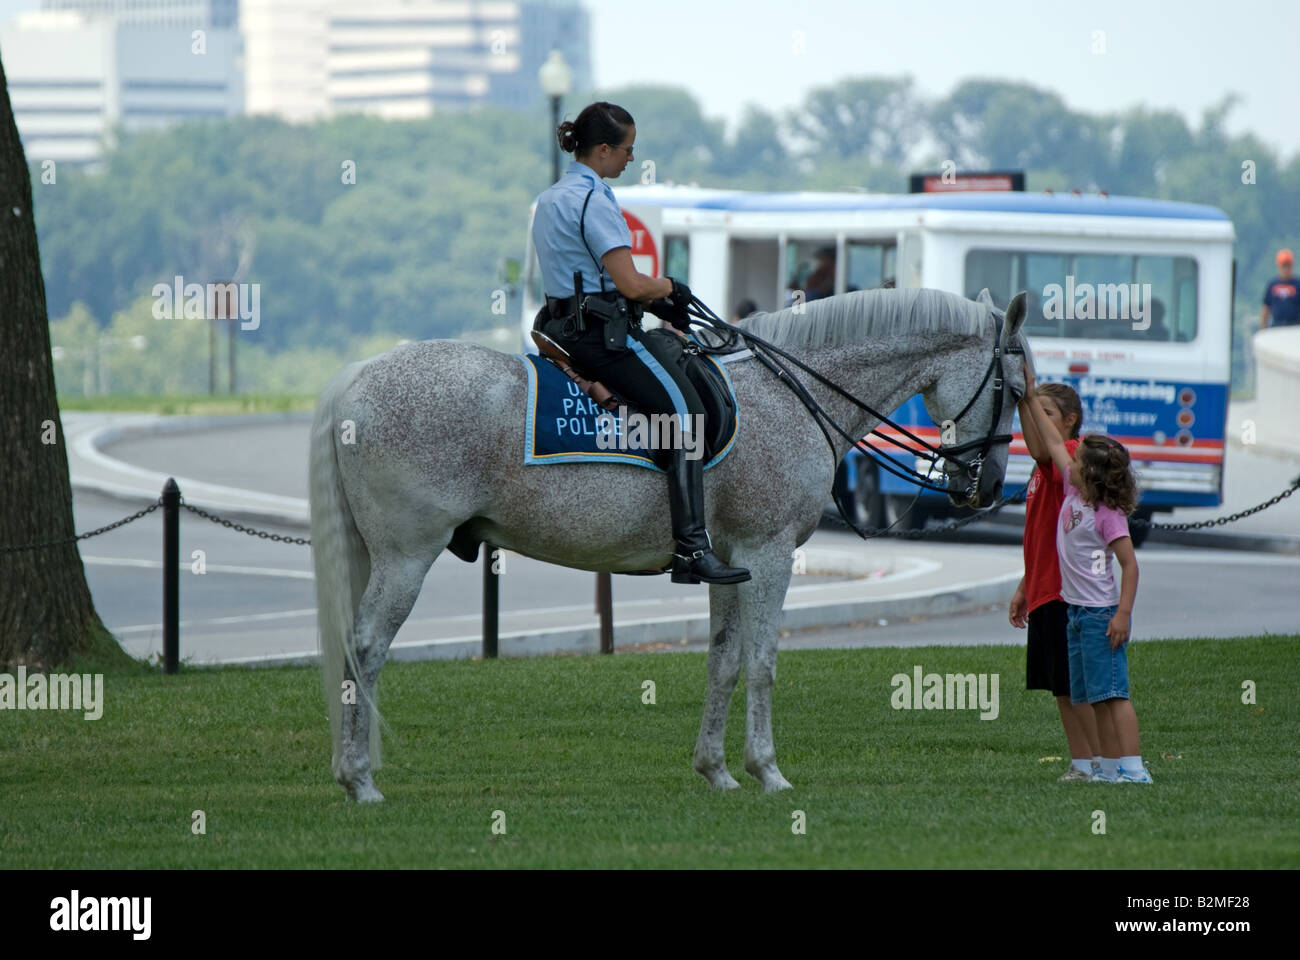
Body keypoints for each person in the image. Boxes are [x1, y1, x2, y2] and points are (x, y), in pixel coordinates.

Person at [530, 101, 750, 585]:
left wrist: (653, 303)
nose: (631, 158)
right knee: (688, 417)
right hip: (602, 340)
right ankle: (693, 548)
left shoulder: (550, 198)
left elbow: (587, 280)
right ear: (603, 149)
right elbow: (629, 284)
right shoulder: (595, 198)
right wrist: (670, 287)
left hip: (562, 328)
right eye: (627, 150)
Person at [1022, 365, 1151, 784]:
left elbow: (1130, 564)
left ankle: (1133, 768)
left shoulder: (1107, 514)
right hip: (1077, 614)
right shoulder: (1075, 492)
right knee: (1088, 694)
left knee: (1113, 694)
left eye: (1076, 460)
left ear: (1090, 472)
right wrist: (1025, 392)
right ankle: (1107, 768)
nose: (1068, 458)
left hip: (1099, 615)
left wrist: (1124, 613)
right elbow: (1055, 443)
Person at [1011, 382, 1113, 781]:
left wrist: (1026, 398)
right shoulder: (1044, 468)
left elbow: (1043, 447)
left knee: (1076, 685)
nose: (1040, 422)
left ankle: (1102, 761)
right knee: (1061, 687)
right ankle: (1081, 762)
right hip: (1041, 589)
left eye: (1048, 414)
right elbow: (1045, 535)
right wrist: (1024, 586)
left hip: (1063, 591)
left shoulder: (1070, 455)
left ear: (1070, 422)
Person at [1260, 248, 1298, 329]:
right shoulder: (1273, 284)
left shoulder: (1298, 284)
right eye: (1284, 266)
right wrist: (1263, 329)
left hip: (1295, 326)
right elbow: (1266, 308)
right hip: (1277, 325)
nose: (1286, 269)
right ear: (1279, 266)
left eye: (1288, 266)